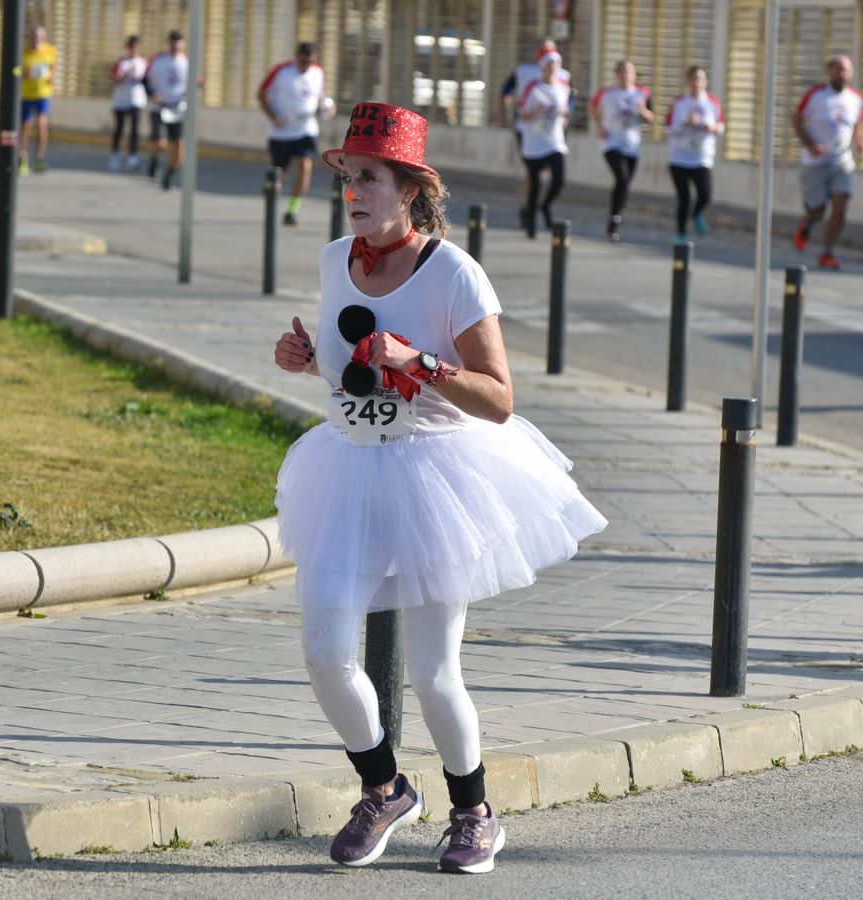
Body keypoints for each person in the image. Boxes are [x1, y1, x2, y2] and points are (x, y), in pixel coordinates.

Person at [272, 102, 606, 875]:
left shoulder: (454, 273)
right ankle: (384, 788)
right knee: (325, 652)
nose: (352, 191)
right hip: (346, 469)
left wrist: (421, 362)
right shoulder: (334, 261)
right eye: (348, 177)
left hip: (434, 475)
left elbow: (499, 399)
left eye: (369, 178)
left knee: (431, 671)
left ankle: (474, 812)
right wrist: (302, 357)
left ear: (412, 190)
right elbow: (344, 367)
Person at [791, 55, 863, 270]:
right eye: (839, 69)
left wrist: (860, 142)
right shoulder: (815, 95)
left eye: (847, 70)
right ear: (829, 72)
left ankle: (826, 251)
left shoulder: (856, 98)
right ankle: (807, 222)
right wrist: (810, 144)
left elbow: (857, 124)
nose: (843, 74)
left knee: (841, 205)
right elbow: (797, 119)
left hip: (842, 161)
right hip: (816, 163)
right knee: (817, 208)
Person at [259, 42, 329, 226]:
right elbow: (262, 93)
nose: (306, 65)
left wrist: (326, 107)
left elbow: (320, 96)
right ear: (296, 56)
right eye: (303, 61)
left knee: (305, 167)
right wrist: (274, 116)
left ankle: (292, 210)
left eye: (310, 62)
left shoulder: (318, 72)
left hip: (306, 130)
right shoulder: (281, 71)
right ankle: (271, 198)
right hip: (281, 133)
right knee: (280, 174)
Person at [589, 60, 652, 242]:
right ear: (617, 74)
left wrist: (643, 111)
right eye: (622, 72)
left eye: (629, 72)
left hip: (632, 145)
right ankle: (614, 223)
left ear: (635, 75)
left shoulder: (643, 93)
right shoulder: (608, 93)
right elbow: (592, 107)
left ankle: (615, 218)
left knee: (623, 185)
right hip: (611, 143)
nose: (626, 75)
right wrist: (599, 126)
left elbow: (651, 117)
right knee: (621, 178)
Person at [666, 65, 724, 242]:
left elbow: (721, 127)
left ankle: (697, 213)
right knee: (684, 198)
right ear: (688, 81)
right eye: (693, 79)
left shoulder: (712, 103)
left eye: (700, 79)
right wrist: (686, 124)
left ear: (705, 82)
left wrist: (712, 127)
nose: (697, 83)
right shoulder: (679, 103)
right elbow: (669, 129)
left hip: (701, 157)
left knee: (705, 195)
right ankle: (681, 234)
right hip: (679, 157)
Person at [499, 38, 557, 212]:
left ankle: (534, 202)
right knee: (533, 169)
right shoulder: (524, 71)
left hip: (550, 128)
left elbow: (569, 97)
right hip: (526, 127)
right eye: (542, 50)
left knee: (545, 171)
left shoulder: (559, 73)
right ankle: (528, 204)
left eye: (550, 51)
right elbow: (505, 91)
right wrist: (503, 114)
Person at [516, 52, 570, 239]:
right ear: (543, 67)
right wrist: (535, 112)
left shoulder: (563, 86)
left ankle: (546, 205)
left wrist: (564, 116)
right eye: (550, 65)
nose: (553, 69)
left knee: (559, 179)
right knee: (535, 184)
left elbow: (565, 110)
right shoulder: (533, 87)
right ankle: (531, 224)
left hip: (554, 141)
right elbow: (522, 115)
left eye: (556, 65)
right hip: (534, 143)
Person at [145, 29, 189, 190]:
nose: (176, 44)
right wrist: (152, 94)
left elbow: (198, 83)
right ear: (169, 43)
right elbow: (145, 80)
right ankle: (154, 159)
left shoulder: (188, 62)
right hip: (159, 107)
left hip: (178, 109)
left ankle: (168, 176)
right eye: (173, 41)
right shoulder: (158, 60)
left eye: (179, 41)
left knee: (179, 151)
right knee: (160, 143)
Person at [19, 25, 56, 175]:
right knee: (26, 126)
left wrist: (51, 77)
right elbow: (17, 72)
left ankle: (39, 158)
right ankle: (22, 156)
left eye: (39, 37)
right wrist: (25, 74)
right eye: (33, 37)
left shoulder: (50, 50)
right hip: (26, 94)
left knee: (42, 125)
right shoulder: (22, 51)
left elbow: (54, 67)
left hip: (43, 93)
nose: (36, 40)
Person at [109, 35, 148, 172]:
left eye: (137, 47)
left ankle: (133, 156)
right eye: (132, 47)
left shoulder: (144, 63)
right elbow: (114, 80)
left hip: (137, 100)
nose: (134, 50)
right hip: (121, 101)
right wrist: (124, 76)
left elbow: (148, 81)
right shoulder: (121, 62)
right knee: (119, 129)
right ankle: (115, 155)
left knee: (134, 130)